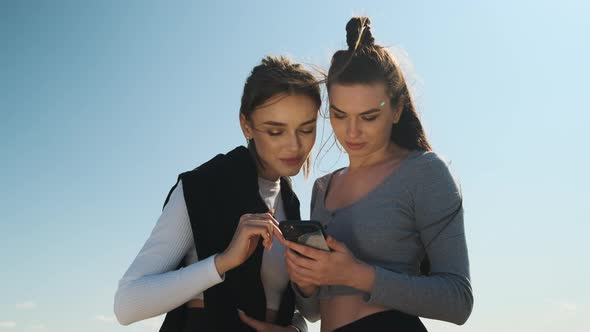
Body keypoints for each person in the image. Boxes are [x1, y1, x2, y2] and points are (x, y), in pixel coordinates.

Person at [282, 17, 473, 331]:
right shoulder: (322, 187)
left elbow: (459, 301)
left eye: (369, 117)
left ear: (397, 109)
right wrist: (305, 282)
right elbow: (314, 311)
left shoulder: (425, 171)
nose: (352, 132)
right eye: (340, 115)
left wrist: (355, 274)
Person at [114, 55, 321, 332]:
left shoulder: (291, 204)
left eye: (306, 129)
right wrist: (223, 262)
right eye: (275, 131)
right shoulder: (202, 186)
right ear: (246, 125)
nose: (294, 145)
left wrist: (299, 323)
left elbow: (307, 313)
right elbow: (127, 304)